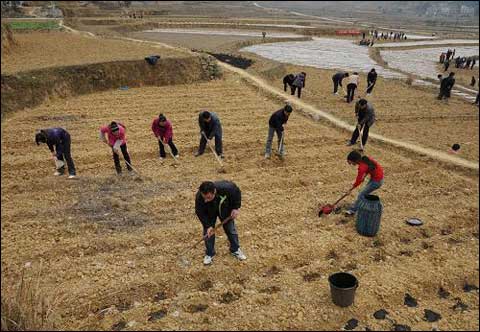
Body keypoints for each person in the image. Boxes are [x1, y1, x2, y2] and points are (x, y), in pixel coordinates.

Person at [195, 180, 247, 265]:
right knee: (208, 233)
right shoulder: (200, 197)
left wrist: (235, 208)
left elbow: (236, 193)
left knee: (231, 229)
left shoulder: (227, 188)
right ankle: (209, 253)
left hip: (224, 209)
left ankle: (235, 249)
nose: (205, 200)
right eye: (204, 197)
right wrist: (208, 226)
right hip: (209, 212)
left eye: (208, 197)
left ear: (214, 192)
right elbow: (199, 212)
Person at [345, 151, 384, 216]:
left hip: (377, 181)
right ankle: (359, 206)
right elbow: (370, 167)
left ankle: (352, 210)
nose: (351, 164)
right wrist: (365, 175)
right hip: (376, 178)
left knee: (361, 195)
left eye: (351, 162)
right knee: (364, 193)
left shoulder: (362, 167)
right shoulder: (365, 159)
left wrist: (350, 189)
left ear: (355, 160)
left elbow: (358, 181)